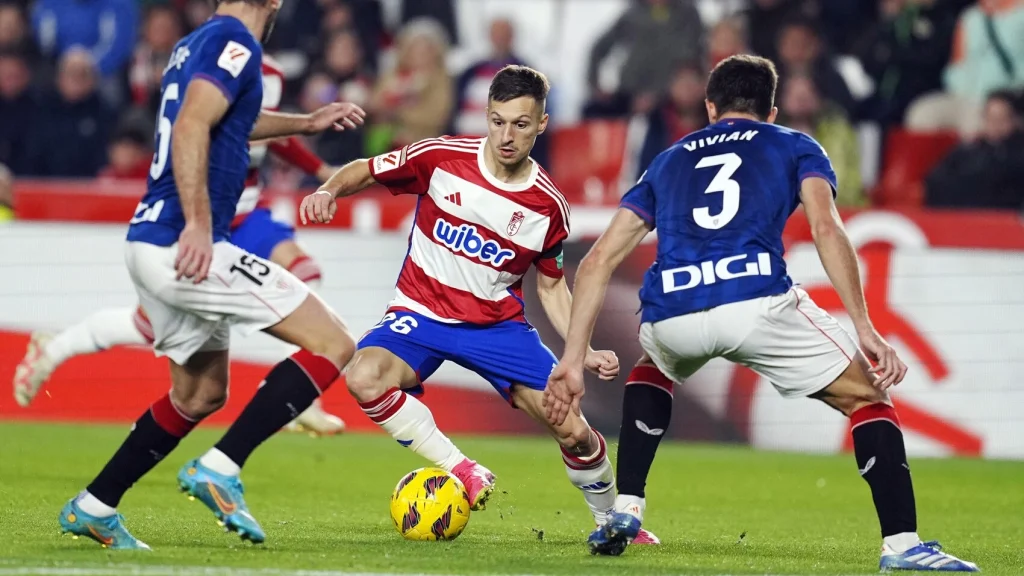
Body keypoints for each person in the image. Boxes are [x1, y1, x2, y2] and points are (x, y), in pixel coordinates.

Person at [545, 55, 979, 572]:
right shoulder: (795, 145)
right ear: (771, 110)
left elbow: (596, 262)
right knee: (868, 396)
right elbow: (825, 229)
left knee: (652, 368)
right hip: (755, 302)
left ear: (710, 107)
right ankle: (904, 546)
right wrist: (865, 328)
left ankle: (627, 507)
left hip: (672, 311)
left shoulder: (667, 160)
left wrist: (573, 359)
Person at [300, 64, 659, 544]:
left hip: (497, 329)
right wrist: (327, 190)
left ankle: (611, 520)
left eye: (520, 124)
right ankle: (461, 469)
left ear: (541, 125)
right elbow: (365, 169)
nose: (506, 135)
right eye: (497, 121)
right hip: (419, 313)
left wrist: (582, 350)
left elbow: (551, 286)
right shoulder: (442, 157)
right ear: (486, 116)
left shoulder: (547, 206)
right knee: (363, 375)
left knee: (572, 430)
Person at [56, 0, 366, 550]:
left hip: (150, 242)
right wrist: (199, 224)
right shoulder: (237, 44)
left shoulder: (197, 41)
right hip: (186, 241)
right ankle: (222, 466)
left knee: (200, 393)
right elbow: (194, 123)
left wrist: (306, 122)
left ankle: (94, 504)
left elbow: (228, 120)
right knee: (336, 342)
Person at [14, 55, 347, 435]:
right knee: (149, 327)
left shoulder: (266, 70)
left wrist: (319, 168)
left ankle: (301, 398)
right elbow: (231, 127)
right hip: (200, 214)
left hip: (246, 208)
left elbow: (268, 130)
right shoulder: (208, 57)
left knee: (305, 271)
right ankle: (56, 347)